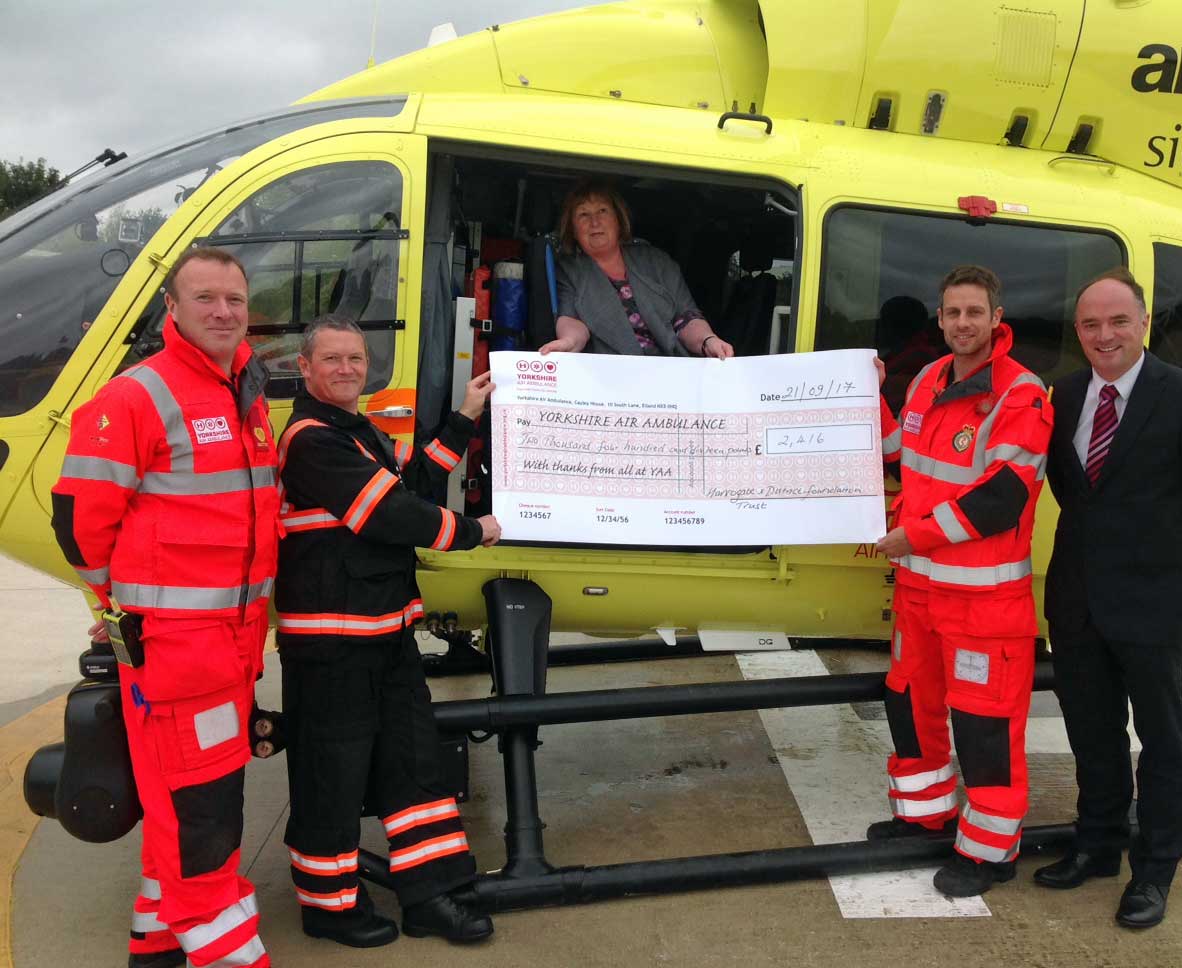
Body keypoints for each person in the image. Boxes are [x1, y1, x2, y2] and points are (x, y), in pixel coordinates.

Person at [51, 247, 277, 968]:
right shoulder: (136, 397)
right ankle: (227, 951)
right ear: (172, 309)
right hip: (178, 651)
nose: (222, 312)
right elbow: (80, 523)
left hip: (230, 648)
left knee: (191, 801)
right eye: (205, 298)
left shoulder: (245, 394)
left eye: (234, 300)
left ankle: (155, 946)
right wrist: (117, 606)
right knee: (200, 818)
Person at [274, 315, 503, 948]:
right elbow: (389, 512)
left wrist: (464, 416)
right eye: (332, 359)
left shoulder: (358, 431)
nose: (346, 369)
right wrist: (471, 531)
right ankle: (328, 906)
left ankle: (431, 895)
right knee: (332, 773)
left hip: (385, 637)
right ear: (305, 367)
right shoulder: (309, 439)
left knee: (413, 768)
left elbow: (414, 482)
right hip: (331, 648)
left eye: (355, 359)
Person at [1036, 268, 1182, 927]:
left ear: (1144, 323)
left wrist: (1176, 570)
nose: (1105, 335)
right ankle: (1098, 846)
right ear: (1079, 332)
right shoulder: (1063, 397)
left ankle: (1153, 873)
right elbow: (1078, 495)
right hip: (1078, 600)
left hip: (1155, 604)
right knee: (1093, 735)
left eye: (1118, 321)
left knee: (1162, 743)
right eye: (1091, 324)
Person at [871, 265, 1054, 898]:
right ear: (940, 318)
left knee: (984, 729)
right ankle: (926, 817)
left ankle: (988, 852)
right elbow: (900, 452)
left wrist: (910, 537)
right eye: (952, 313)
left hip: (982, 604)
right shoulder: (926, 379)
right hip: (919, 596)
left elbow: (1000, 499)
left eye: (974, 312)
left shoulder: (1021, 395)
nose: (962, 324)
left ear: (996, 318)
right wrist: (866, 395)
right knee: (910, 708)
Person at [538, 179, 735, 358]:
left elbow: (686, 317)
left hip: (672, 371)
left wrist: (709, 341)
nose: (595, 222)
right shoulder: (569, 271)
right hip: (610, 378)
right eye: (583, 214)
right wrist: (568, 342)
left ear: (618, 219)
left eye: (602, 211)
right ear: (572, 228)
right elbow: (571, 321)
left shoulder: (656, 260)